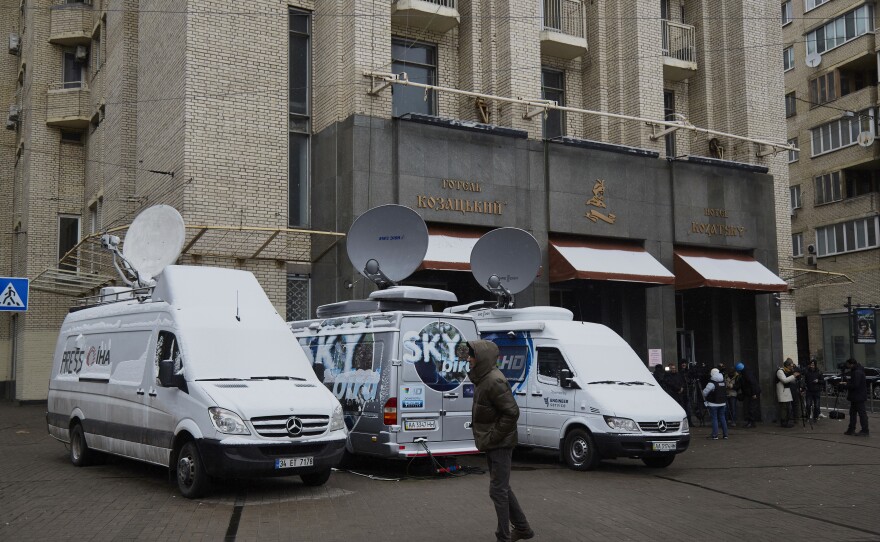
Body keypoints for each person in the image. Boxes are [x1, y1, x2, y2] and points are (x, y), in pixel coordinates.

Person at [467, 340, 534, 542]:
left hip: (500, 444)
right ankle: (522, 529)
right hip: (493, 443)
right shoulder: (485, 379)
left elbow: (512, 412)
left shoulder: (494, 381)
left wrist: (493, 436)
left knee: (498, 491)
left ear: (481, 358)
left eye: (472, 356)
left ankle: (503, 537)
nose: (468, 359)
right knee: (502, 488)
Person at [841, 358, 869, 437]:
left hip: (858, 396)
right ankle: (851, 429)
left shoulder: (857, 372)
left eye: (848, 364)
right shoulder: (857, 370)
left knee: (861, 414)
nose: (847, 366)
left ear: (851, 364)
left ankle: (865, 430)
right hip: (856, 396)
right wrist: (847, 383)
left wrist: (846, 385)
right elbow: (855, 383)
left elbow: (855, 385)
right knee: (853, 413)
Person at [702, 368, 729, 440]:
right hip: (723, 403)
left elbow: (704, 393)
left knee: (714, 419)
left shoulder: (712, 383)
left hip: (713, 403)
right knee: (723, 418)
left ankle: (715, 435)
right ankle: (725, 434)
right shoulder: (723, 382)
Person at [667, 360, 693, 426]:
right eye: (672, 368)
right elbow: (670, 383)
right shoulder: (669, 376)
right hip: (675, 394)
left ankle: (688, 422)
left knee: (687, 408)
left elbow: (683, 382)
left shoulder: (681, 374)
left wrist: (682, 388)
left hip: (683, 393)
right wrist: (679, 389)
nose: (673, 369)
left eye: (674, 368)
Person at [736, 361, 761, 427]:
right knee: (750, 407)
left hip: (752, 393)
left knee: (751, 408)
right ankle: (751, 422)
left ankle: (751, 422)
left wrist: (754, 394)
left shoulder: (747, 373)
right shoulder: (745, 372)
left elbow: (752, 384)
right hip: (750, 393)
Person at [775, 359, 799, 428]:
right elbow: (784, 380)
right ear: (787, 365)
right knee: (784, 408)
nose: (792, 367)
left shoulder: (788, 371)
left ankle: (787, 421)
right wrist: (793, 376)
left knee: (788, 408)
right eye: (791, 366)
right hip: (783, 392)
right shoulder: (780, 371)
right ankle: (783, 422)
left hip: (787, 392)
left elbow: (791, 380)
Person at [803, 359, 822, 423]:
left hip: (817, 391)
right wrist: (803, 387)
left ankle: (815, 417)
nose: (812, 366)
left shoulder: (819, 372)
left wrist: (818, 381)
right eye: (811, 365)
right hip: (809, 391)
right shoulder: (807, 372)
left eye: (813, 365)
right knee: (808, 405)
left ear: (815, 365)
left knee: (816, 405)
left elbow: (823, 381)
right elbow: (804, 381)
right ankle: (807, 417)